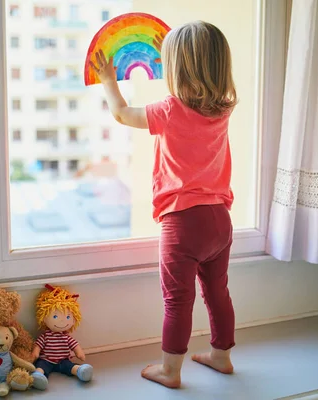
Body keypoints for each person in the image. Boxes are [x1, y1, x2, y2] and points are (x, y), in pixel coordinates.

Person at [89, 21, 237, 388]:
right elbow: (196, 88)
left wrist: (110, 79)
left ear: (175, 69)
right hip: (220, 219)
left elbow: (122, 114)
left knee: (178, 300)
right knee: (217, 291)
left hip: (183, 222)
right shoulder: (224, 108)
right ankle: (222, 356)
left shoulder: (169, 110)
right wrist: (173, 50)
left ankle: (170, 370)